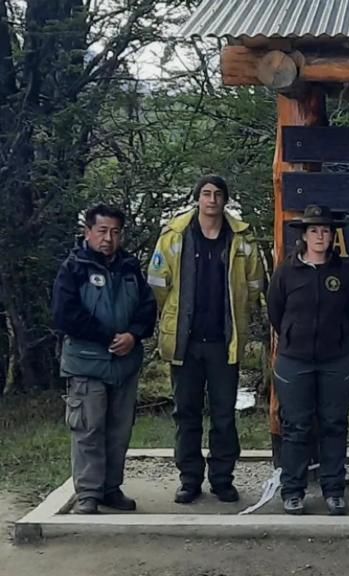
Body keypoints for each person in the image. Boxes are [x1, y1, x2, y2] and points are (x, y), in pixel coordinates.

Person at [148, 175, 265, 505]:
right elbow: (157, 284)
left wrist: (248, 315)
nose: (212, 199)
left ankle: (222, 479)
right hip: (184, 342)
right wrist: (166, 322)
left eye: (218, 194)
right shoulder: (175, 236)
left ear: (226, 200)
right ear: (197, 198)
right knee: (186, 413)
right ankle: (189, 480)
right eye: (206, 194)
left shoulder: (241, 238)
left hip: (223, 342)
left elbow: (255, 285)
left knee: (224, 414)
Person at [53, 204, 157, 514]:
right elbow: (65, 314)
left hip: (124, 364)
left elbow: (147, 308)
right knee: (88, 430)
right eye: (102, 231)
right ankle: (88, 494)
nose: (108, 238)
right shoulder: (73, 268)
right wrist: (107, 337)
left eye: (114, 232)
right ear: (88, 232)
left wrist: (134, 335)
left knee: (118, 431)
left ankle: (111, 488)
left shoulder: (130, 268)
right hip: (87, 363)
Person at [267, 205, 349, 516]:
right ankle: (293, 491)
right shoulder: (286, 272)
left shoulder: (342, 273)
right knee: (296, 427)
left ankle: (334, 490)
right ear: (304, 236)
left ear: (332, 236)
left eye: (326, 231)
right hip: (295, 361)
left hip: (335, 361)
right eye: (314, 230)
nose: (321, 236)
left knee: (335, 425)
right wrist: (295, 338)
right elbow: (275, 313)